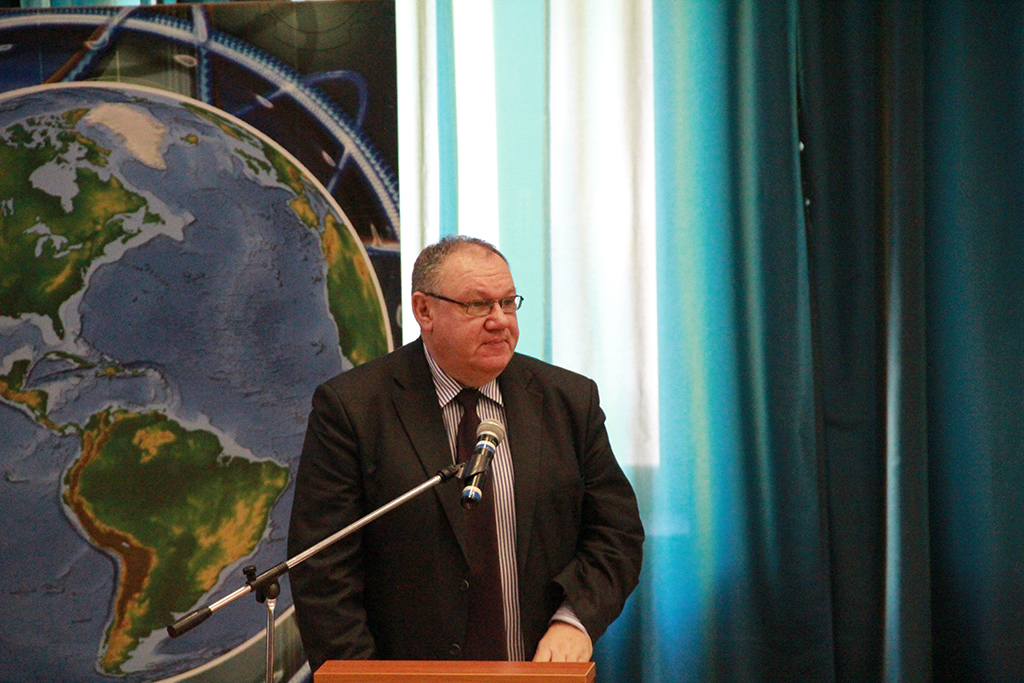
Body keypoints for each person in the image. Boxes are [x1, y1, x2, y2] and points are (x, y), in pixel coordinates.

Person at [287, 235, 644, 671]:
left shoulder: (569, 400)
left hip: (538, 672)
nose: (500, 321)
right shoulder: (353, 409)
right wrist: (368, 678)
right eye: (478, 305)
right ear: (424, 311)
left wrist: (574, 619)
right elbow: (323, 568)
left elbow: (616, 534)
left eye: (508, 303)